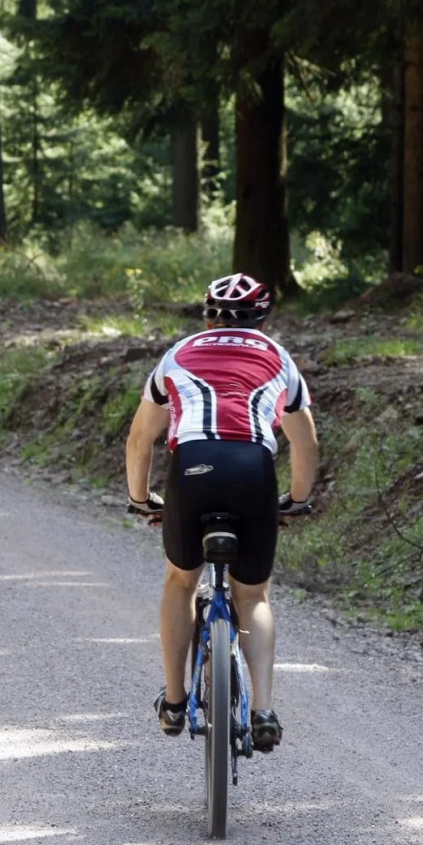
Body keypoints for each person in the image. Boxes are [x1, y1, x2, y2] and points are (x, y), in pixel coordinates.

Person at [124, 273, 319, 752]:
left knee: (180, 581)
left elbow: (139, 440)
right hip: (254, 470)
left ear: (206, 313)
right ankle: (264, 710)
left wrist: (141, 497)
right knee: (253, 594)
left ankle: (173, 701)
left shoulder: (178, 355)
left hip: (192, 467)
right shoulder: (279, 358)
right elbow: (305, 443)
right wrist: (295, 499)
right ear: (264, 315)